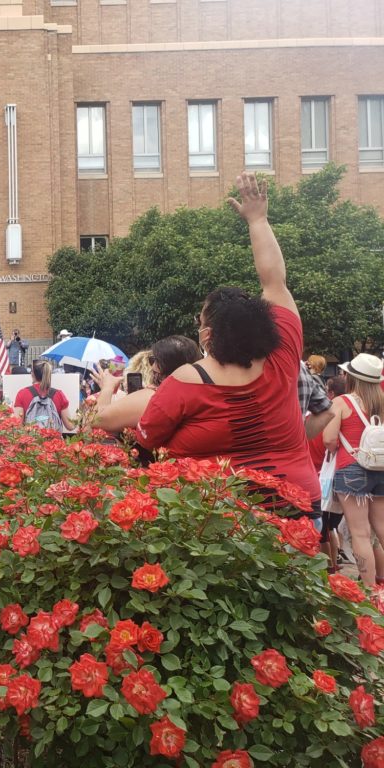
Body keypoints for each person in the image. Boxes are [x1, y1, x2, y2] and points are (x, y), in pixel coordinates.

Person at [137, 173, 320, 518]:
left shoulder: (184, 382)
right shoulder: (283, 353)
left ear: (207, 337)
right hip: (298, 500)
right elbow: (274, 280)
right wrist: (258, 219)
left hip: (227, 517)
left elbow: (147, 441)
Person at [322, 353, 384, 586]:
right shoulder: (382, 401)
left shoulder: (342, 402)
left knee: (360, 534)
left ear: (352, 378)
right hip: (381, 467)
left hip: (351, 469)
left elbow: (328, 439)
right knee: (381, 529)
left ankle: (369, 592)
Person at [91, 336, 202, 433]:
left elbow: (95, 420)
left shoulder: (153, 397)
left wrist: (107, 387)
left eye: (153, 360)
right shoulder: (197, 393)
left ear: (161, 365)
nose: (151, 366)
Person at [13, 358, 74, 432]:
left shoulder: (22, 394)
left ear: (33, 374)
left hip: (31, 442)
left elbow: (17, 426)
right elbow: (70, 426)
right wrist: (80, 416)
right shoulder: (59, 394)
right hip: (54, 442)